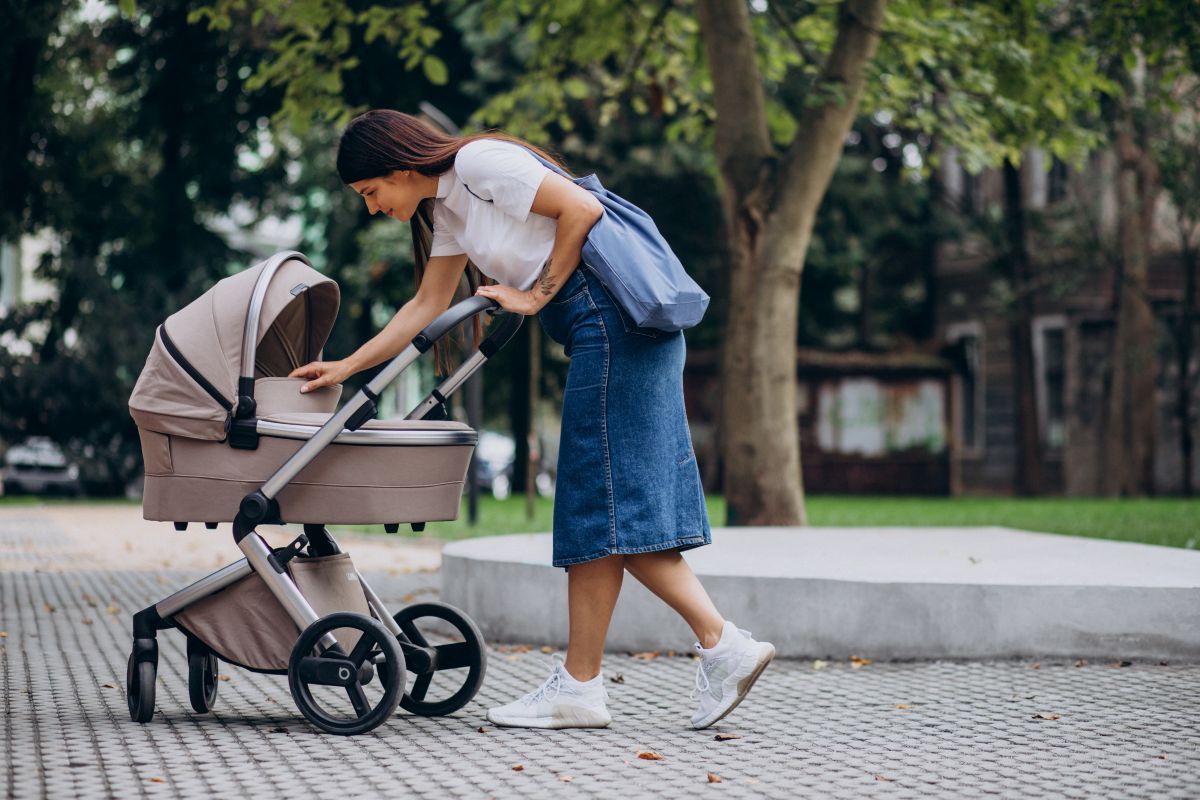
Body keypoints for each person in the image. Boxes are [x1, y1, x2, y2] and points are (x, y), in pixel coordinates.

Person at [289, 109, 774, 730]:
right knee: (606, 506)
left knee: (603, 504)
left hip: (610, 325)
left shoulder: (478, 163)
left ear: (400, 167)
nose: (372, 207)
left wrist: (534, 295)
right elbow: (427, 304)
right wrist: (347, 365)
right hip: (610, 331)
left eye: (370, 191)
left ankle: (715, 645)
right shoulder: (448, 208)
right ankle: (588, 683)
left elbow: (581, 209)